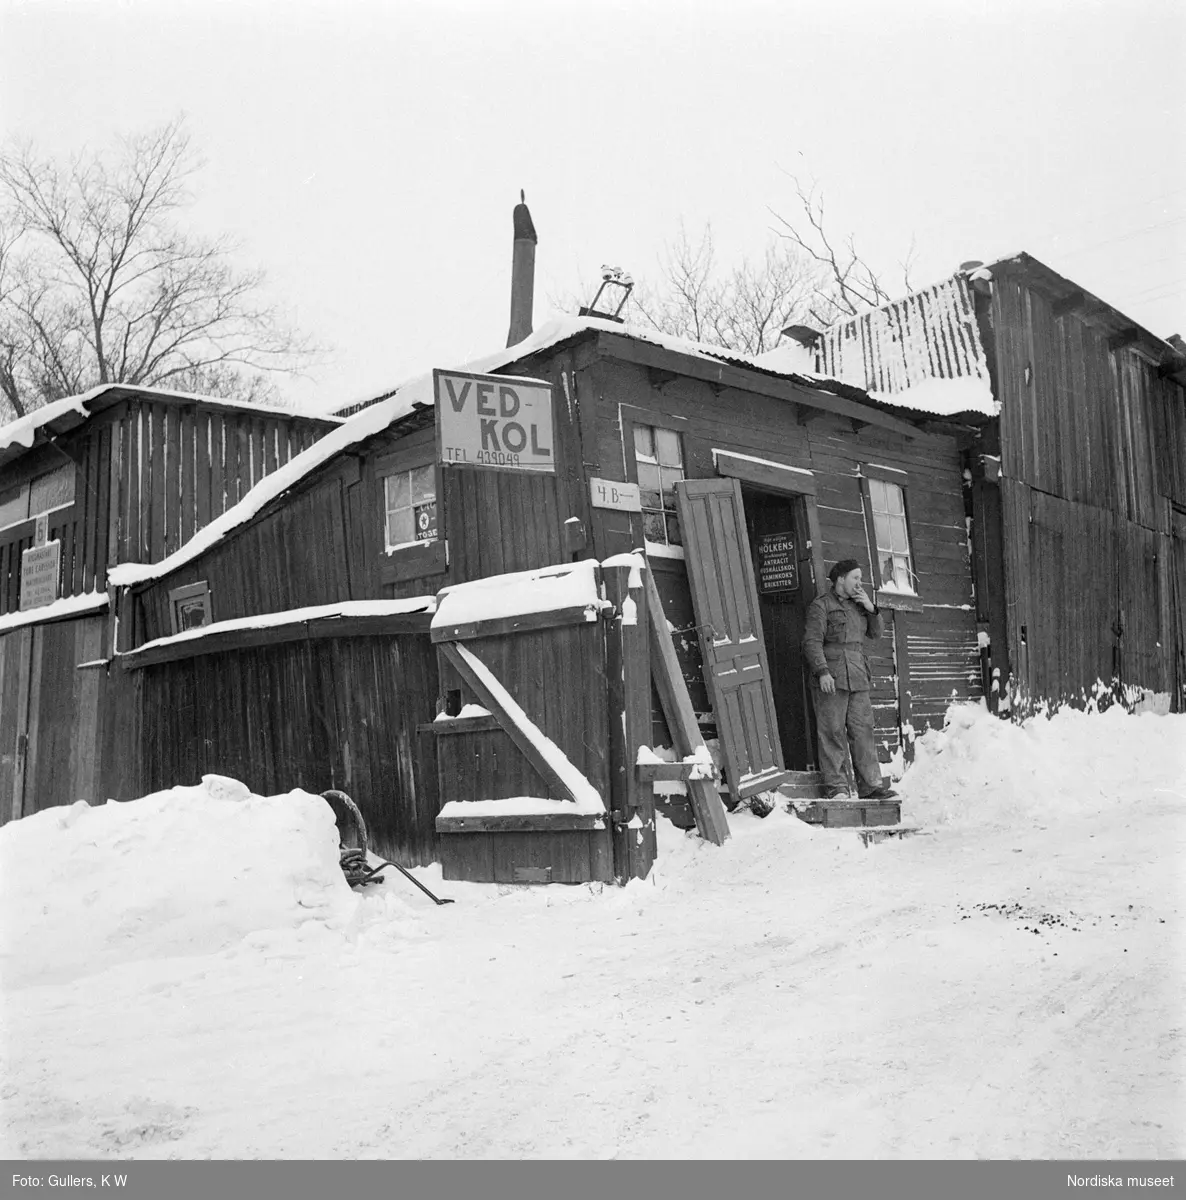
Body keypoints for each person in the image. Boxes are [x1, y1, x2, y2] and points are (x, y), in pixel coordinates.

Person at [802, 558, 897, 801]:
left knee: (863, 730)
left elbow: (876, 633)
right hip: (832, 676)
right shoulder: (821, 605)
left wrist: (871, 607)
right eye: (855, 577)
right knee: (832, 731)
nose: (859, 582)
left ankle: (871, 786)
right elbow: (812, 641)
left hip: (857, 674)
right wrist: (822, 671)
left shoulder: (860, 605)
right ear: (840, 579)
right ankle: (837, 787)